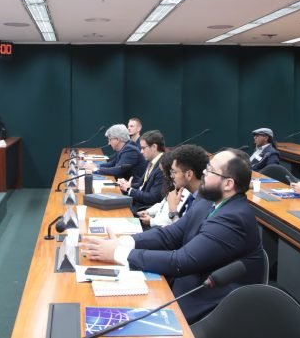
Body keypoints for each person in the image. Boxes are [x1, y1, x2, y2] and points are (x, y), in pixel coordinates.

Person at [80, 148, 264, 324]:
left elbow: (180, 261)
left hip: (208, 306)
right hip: (183, 285)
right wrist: (123, 242)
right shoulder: (207, 201)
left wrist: (117, 253)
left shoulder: (233, 219)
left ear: (228, 184)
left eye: (210, 170)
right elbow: (170, 235)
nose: (204, 172)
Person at [117, 130, 166, 214]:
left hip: (144, 210)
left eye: (143, 148)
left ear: (154, 147)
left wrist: (129, 189)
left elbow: (153, 198)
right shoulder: (151, 161)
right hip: (137, 203)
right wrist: (127, 185)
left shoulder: (162, 166)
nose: (141, 151)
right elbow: (142, 185)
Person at [138, 151, 180, 228]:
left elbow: (171, 221)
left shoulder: (181, 189)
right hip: (155, 222)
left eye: (164, 172)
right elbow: (162, 204)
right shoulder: (171, 185)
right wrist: (148, 211)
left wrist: (152, 221)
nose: (164, 175)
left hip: (159, 227)